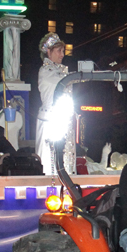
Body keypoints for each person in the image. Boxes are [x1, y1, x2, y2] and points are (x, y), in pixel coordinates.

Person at [36, 33, 74, 175]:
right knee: (49, 160)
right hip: (50, 120)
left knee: (64, 157)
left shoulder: (61, 71)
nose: (62, 54)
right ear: (48, 52)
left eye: (63, 51)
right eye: (59, 51)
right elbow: (59, 82)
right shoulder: (46, 71)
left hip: (62, 120)